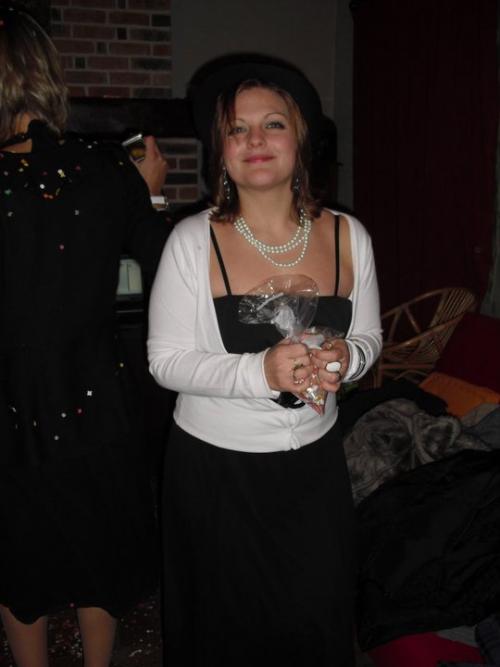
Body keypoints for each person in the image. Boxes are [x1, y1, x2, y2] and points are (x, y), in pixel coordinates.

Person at [148, 57, 382, 667]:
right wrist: (260, 372)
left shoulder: (349, 236)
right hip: (216, 476)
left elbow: (369, 339)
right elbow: (165, 362)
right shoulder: (192, 240)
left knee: (316, 624)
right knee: (223, 638)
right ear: (221, 151)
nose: (255, 139)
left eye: (273, 124)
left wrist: (346, 357)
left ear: (300, 140)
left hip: (315, 473)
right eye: (237, 128)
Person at [0, 6, 170, 666]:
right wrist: (145, 193)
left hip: (11, 408)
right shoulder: (106, 170)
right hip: (97, 400)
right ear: (46, 74)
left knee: (20, 564)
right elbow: (169, 268)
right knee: (103, 555)